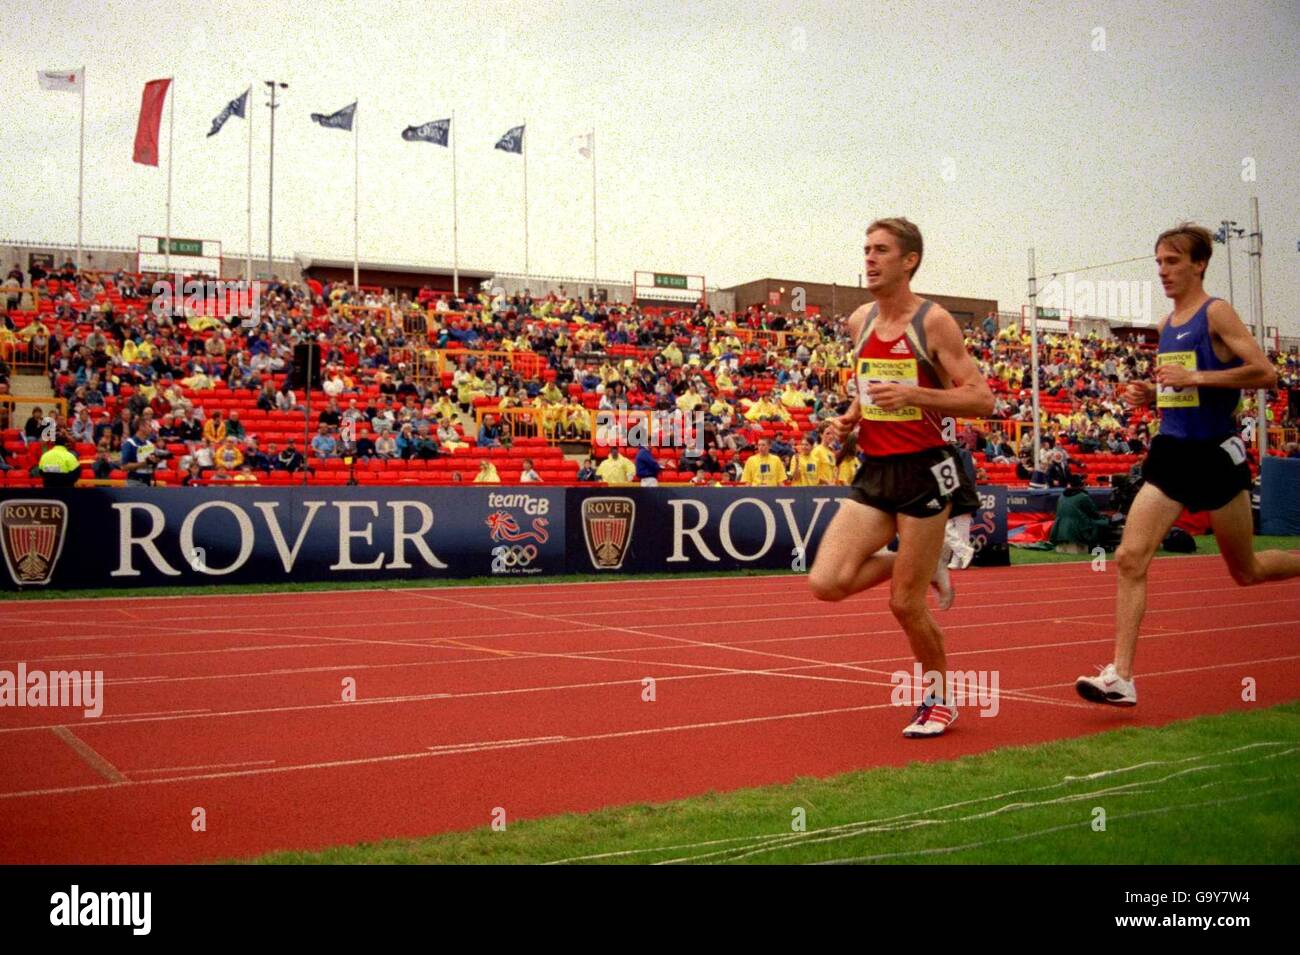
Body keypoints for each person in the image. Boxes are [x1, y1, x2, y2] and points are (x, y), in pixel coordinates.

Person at [1075, 223, 1300, 707]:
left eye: (1173, 261)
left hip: (1216, 454)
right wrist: (1153, 393)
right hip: (1173, 451)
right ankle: (1121, 676)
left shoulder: (1216, 313)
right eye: (1158, 262)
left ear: (1198, 264)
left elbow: (1266, 372)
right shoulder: (1165, 325)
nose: (1163, 271)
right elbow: (1183, 391)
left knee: (1246, 570)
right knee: (1130, 557)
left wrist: (1195, 373)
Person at [808, 217, 993, 738]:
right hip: (876, 467)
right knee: (826, 583)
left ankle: (938, 701)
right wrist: (849, 419)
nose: (869, 258)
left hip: (925, 471)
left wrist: (917, 394)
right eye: (865, 248)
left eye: (881, 250)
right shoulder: (861, 319)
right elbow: (870, 388)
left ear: (908, 261)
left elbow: (982, 398)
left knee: (904, 604)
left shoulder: (934, 323)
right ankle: (919, 560)